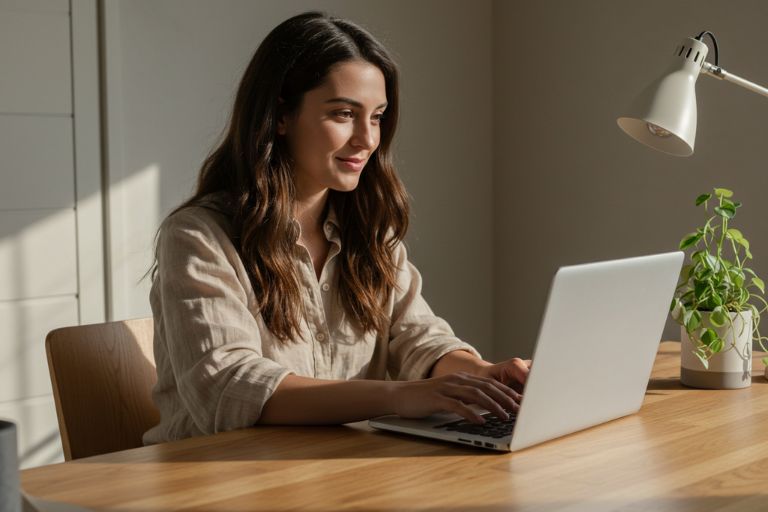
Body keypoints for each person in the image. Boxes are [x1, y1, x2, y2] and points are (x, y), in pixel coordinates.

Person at [143, 11, 530, 445]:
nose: (367, 139)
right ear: (280, 116)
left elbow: (419, 337)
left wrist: (483, 377)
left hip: (324, 472)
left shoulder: (370, 232)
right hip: (209, 481)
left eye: (378, 116)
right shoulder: (198, 236)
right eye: (344, 114)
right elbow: (230, 388)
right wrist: (400, 397)